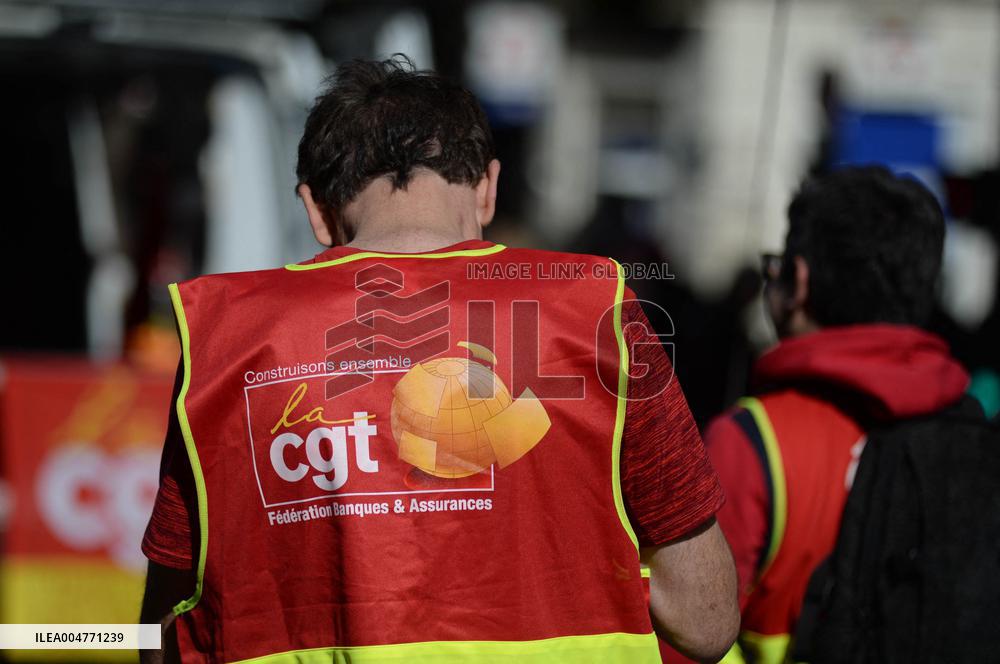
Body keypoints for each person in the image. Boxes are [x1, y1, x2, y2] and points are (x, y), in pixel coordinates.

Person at [139, 56, 738, 664]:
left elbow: (162, 639)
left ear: (316, 210)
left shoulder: (227, 336)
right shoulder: (595, 310)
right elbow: (705, 620)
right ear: (487, 187)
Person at [705, 166, 968, 664]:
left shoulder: (751, 440)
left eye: (775, 266)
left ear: (798, 281)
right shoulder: (971, 430)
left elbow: (681, 641)